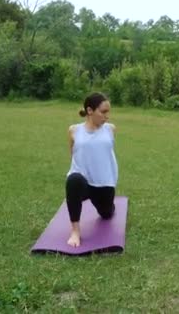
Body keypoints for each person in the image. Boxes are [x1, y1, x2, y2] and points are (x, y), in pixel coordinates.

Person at [65, 92, 118, 247]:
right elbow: (73, 154)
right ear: (89, 110)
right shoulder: (74, 130)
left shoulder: (111, 129)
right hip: (84, 184)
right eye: (103, 112)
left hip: (103, 184)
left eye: (108, 112)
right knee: (74, 180)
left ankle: (109, 205)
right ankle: (75, 231)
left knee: (107, 214)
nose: (107, 116)